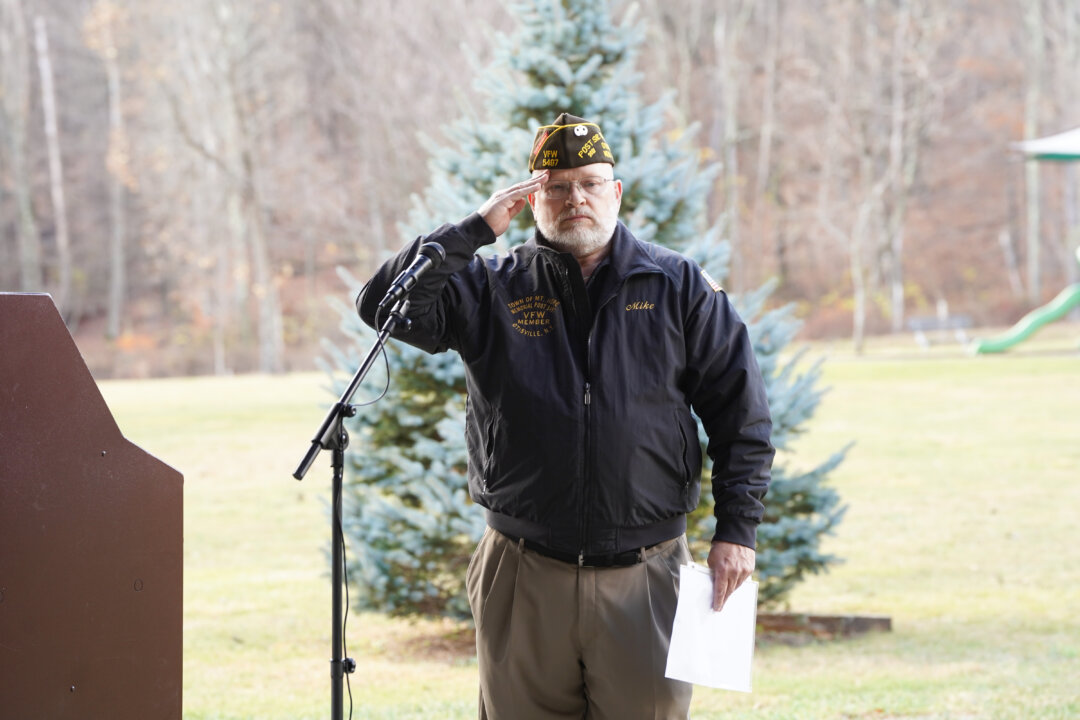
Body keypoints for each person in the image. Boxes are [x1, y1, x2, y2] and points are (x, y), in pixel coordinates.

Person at [357, 113, 774, 720]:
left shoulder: (677, 284)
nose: (574, 197)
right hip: (523, 569)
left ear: (616, 192)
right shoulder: (489, 286)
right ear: (531, 200)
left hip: (647, 570)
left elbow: (741, 415)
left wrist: (738, 531)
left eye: (590, 182)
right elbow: (382, 304)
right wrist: (472, 230)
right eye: (555, 186)